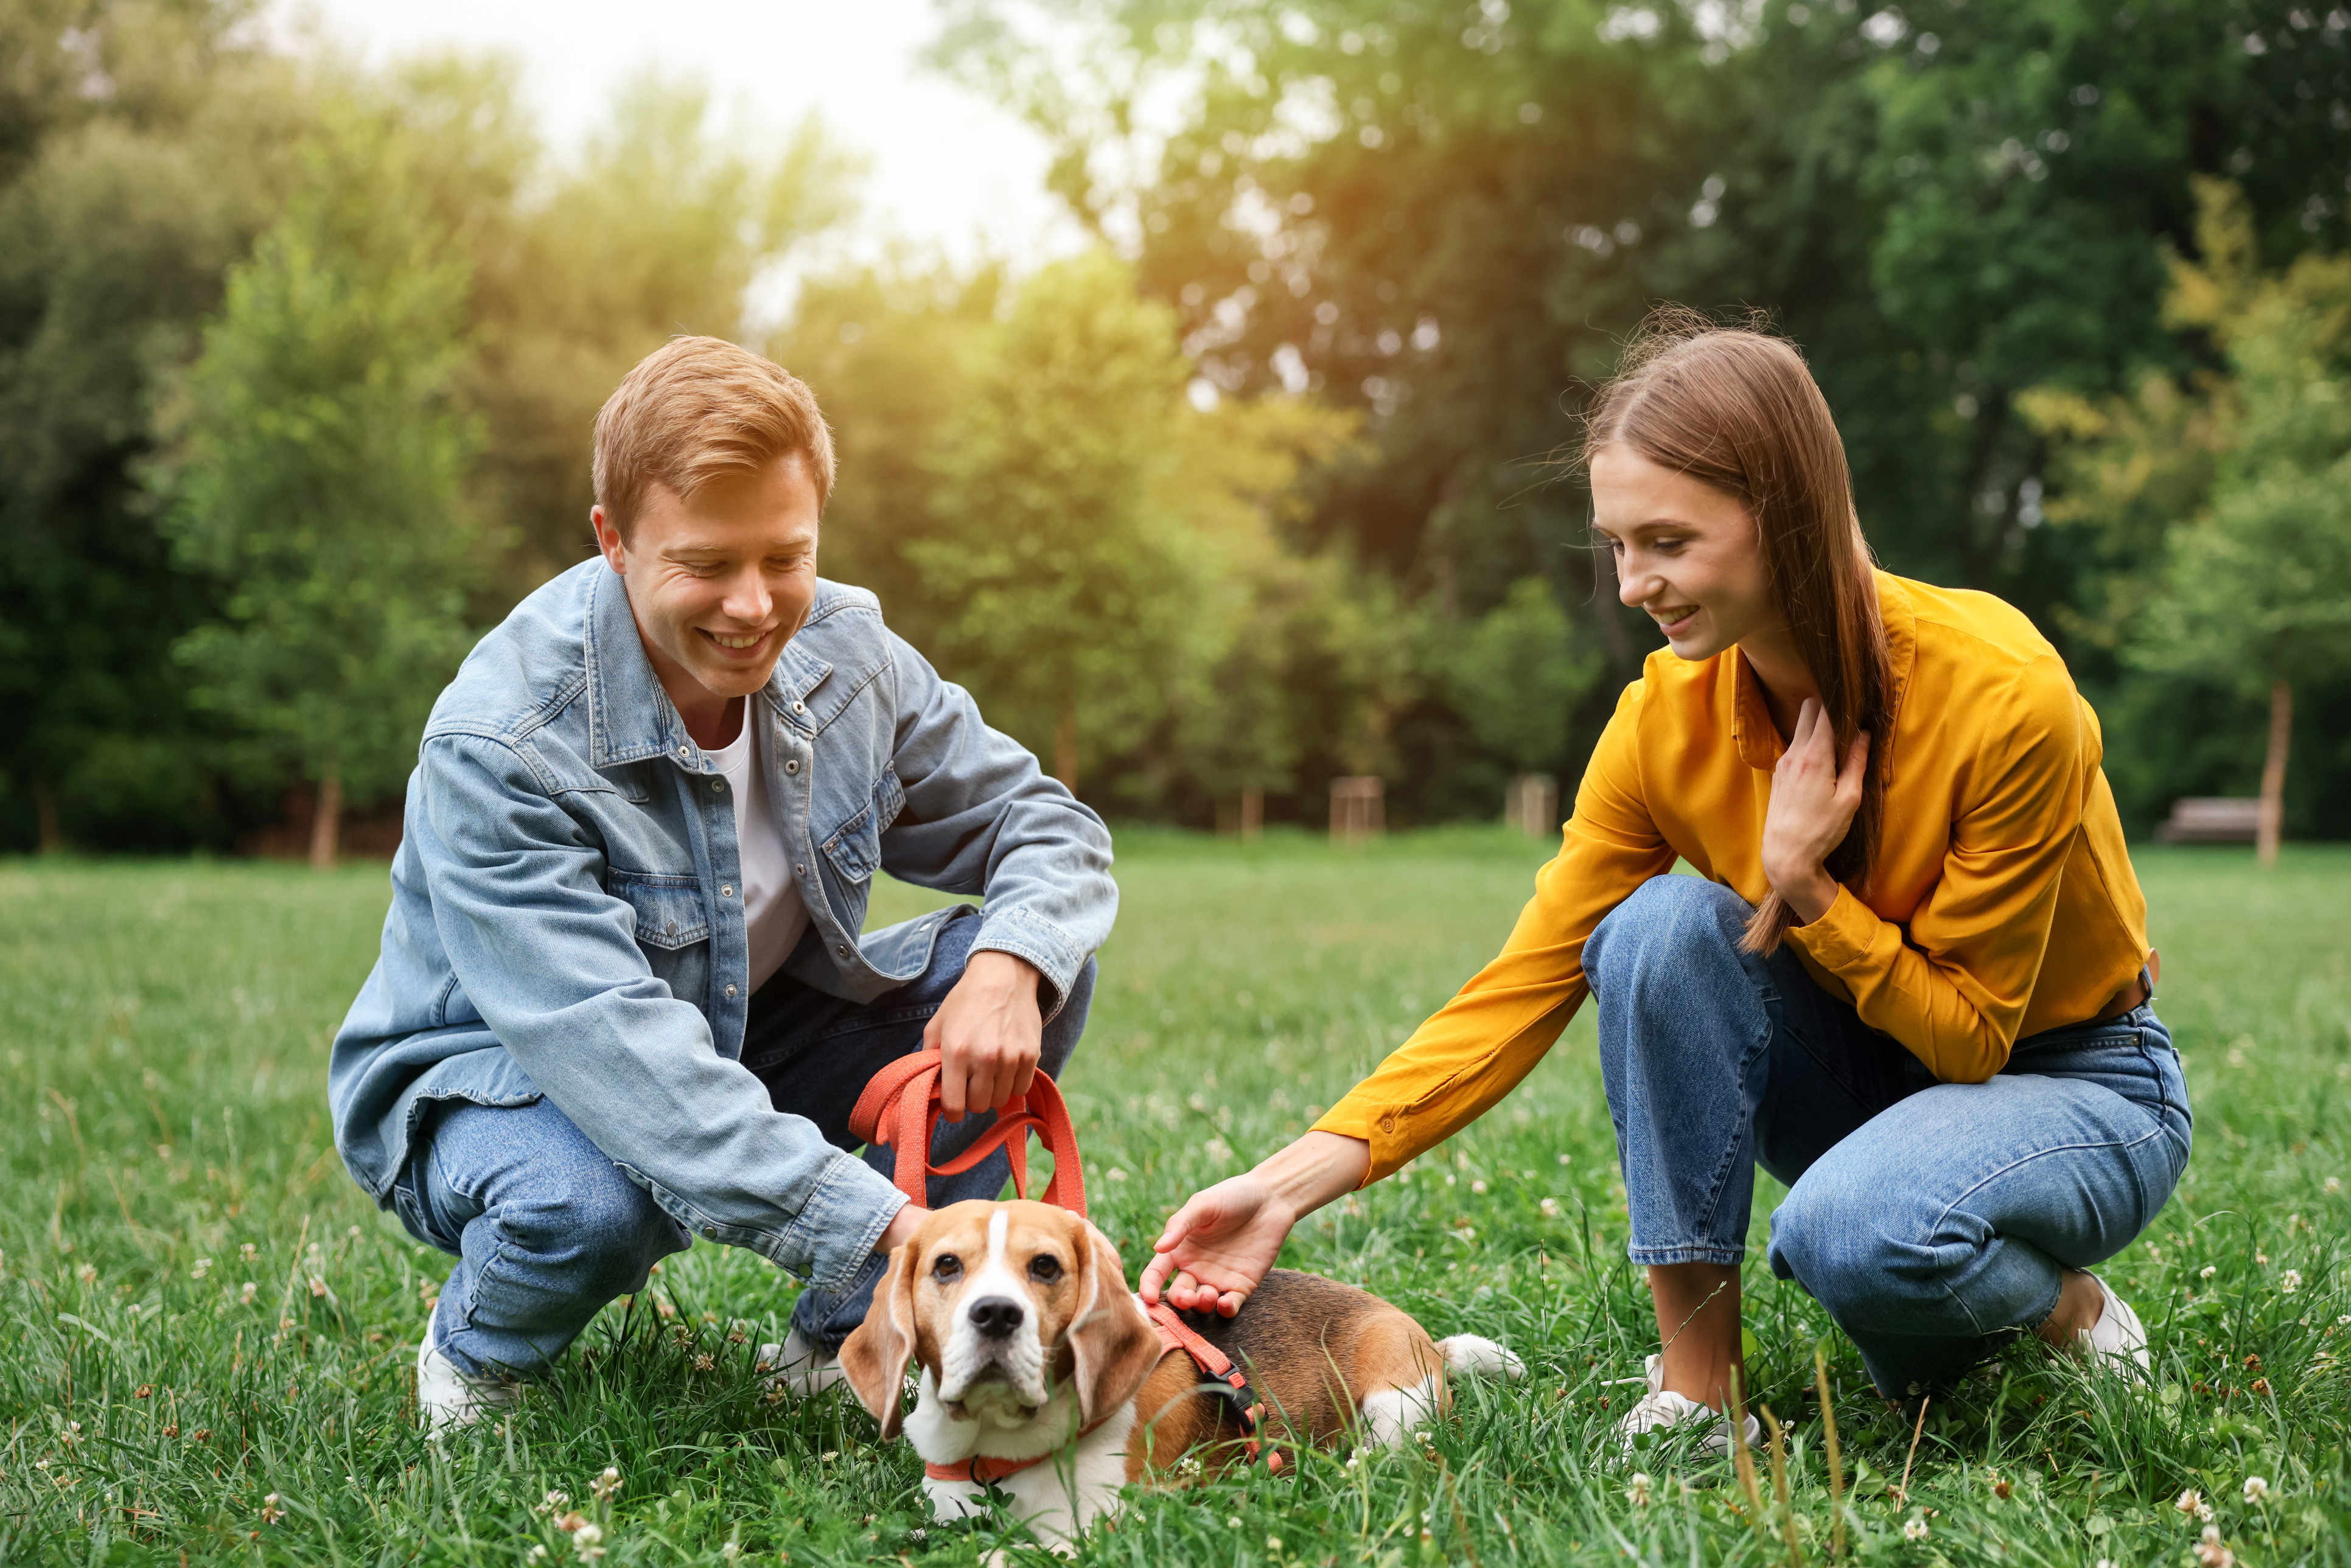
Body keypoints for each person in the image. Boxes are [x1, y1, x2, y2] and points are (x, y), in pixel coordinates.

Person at [1139, 317, 2190, 1452]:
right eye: (1618, 545)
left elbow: (1973, 1042)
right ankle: (1698, 1390)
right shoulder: (1662, 723)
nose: (1636, 583)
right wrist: (1285, 1186)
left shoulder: (2005, 695)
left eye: (1670, 542)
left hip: (2076, 1080)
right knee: (1657, 928)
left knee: (1857, 1238)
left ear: (1786, 510)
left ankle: (2068, 1306)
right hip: (1871, 1080)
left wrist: (1808, 888)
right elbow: (1522, 984)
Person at [329, 336, 1117, 1432]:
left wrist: (1010, 961)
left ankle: (838, 1339)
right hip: (505, 1080)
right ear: (613, 539)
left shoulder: (852, 653)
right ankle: (480, 1356)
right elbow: (625, 1062)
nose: (754, 605)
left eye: (784, 556)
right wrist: (890, 1229)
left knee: (1037, 978)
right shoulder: (502, 742)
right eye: (706, 564)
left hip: (748, 1025)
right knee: (584, 1205)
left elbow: (1047, 824)